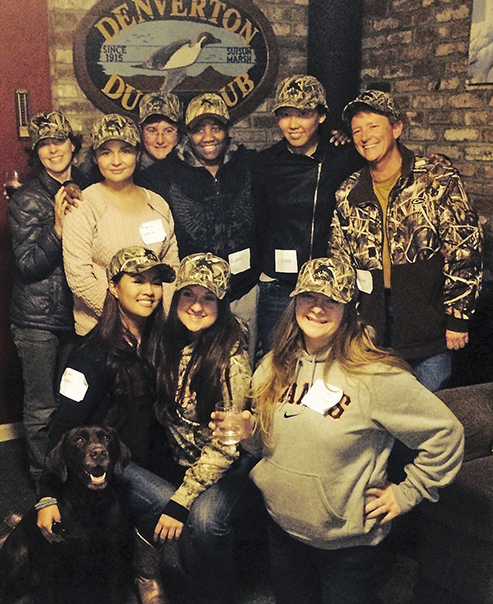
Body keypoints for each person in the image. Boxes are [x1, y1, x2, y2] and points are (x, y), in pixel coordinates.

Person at [229, 256, 464, 604]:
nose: (317, 307)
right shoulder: (271, 366)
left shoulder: (377, 376)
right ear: (295, 302)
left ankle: (396, 582)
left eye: (331, 300)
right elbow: (264, 447)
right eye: (309, 297)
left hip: (347, 542)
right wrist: (251, 432)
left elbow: (447, 434)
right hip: (284, 530)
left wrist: (406, 493)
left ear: (349, 310)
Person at [35, 246, 177, 604]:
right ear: (113, 287)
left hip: (153, 454)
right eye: (137, 280)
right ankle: (146, 574)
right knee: (168, 503)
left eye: (156, 281)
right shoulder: (89, 354)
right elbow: (62, 429)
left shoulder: (162, 342)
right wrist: (46, 496)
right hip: (111, 463)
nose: (149, 289)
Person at [122, 252, 257, 604]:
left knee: (203, 520)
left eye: (209, 298)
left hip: (224, 469)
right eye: (189, 295)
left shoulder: (230, 359)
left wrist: (182, 500)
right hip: (179, 461)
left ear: (222, 304)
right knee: (118, 467)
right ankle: (145, 570)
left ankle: (215, 598)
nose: (197, 306)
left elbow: (225, 448)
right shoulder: (164, 341)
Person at [329, 90, 483, 392]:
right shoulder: (348, 191)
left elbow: (464, 246)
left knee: (429, 408)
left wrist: (459, 317)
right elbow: (340, 259)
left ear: (396, 129)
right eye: (357, 130)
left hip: (426, 319)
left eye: (373, 126)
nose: (364, 137)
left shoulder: (436, 177)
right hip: (371, 322)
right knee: (378, 404)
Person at [137, 93, 259, 363]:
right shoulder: (163, 173)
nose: (208, 137)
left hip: (243, 288)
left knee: (241, 364)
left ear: (227, 130)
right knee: (194, 365)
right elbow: (115, 178)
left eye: (216, 127)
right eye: (198, 129)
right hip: (195, 297)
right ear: (187, 133)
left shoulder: (249, 164)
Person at [7, 110, 89, 487]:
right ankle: (44, 483)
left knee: (74, 400)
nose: (53, 150)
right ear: (37, 152)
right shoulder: (25, 199)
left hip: (78, 314)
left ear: (73, 145)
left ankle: (71, 474)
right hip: (37, 320)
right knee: (41, 408)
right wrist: (56, 227)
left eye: (60, 141)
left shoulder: (89, 185)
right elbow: (27, 267)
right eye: (44, 144)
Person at [252, 74, 361, 353]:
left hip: (325, 289)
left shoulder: (343, 157)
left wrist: (346, 134)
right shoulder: (264, 163)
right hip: (278, 286)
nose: (293, 124)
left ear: (321, 116)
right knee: (276, 359)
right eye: (285, 114)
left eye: (303, 114)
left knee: (325, 363)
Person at [63, 113, 179, 336]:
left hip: (153, 332)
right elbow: (79, 278)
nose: (116, 161)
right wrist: (126, 320)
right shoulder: (83, 205)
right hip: (100, 332)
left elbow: (171, 264)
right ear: (96, 158)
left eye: (125, 151)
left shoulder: (157, 204)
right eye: (106, 152)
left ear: (137, 154)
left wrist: (154, 316)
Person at [138, 91, 183, 168]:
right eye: (152, 131)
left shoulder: (192, 170)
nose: (160, 140)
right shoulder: (130, 171)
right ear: (141, 131)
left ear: (178, 133)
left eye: (168, 131)